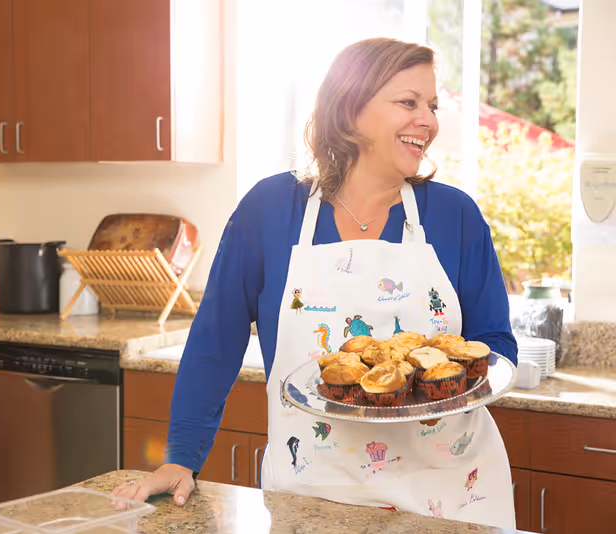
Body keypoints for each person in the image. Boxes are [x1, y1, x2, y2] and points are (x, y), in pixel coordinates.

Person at [113, 37, 518, 529]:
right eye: (408, 102)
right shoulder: (269, 211)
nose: (429, 121)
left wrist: (434, 390)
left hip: (450, 496)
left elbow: (494, 344)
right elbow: (215, 342)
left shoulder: (456, 216)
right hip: (314, 494)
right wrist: (181, 458)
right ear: (350, 109)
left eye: (431, 106)